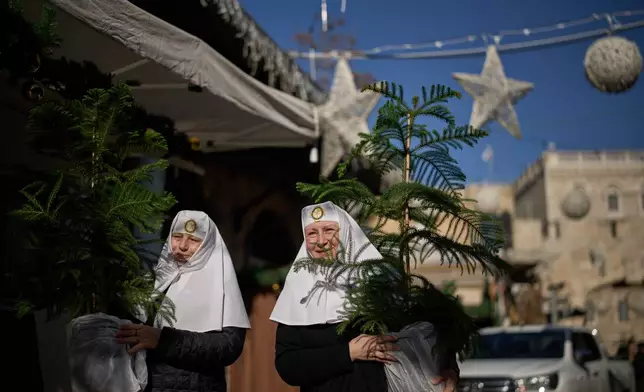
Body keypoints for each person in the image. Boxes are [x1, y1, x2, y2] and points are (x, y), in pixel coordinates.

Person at [270, 201, 459, 392]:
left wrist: (450, 370)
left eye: (328, 230)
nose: (321, 241)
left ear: (345, 233)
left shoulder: (378, 280)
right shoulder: (298, 291)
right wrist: (348, 353)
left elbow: (431, 332)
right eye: (312, 233)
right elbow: (287, 366)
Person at [115, 210, 250, 392]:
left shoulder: (221, 283)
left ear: (208, 244)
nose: (182, 246)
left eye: (193, 240)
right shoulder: (156, 280)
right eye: (177, 237)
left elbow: (229, 346)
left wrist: (164, 340)